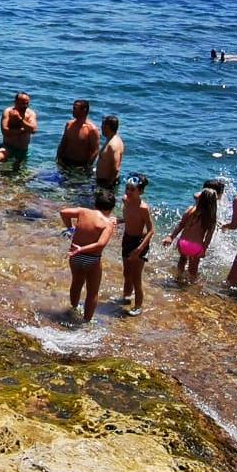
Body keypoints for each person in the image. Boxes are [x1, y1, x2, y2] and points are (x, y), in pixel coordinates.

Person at [61, 188, 118, 323]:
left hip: (74, 256)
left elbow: (63, 212)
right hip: (91, 259)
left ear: (95, 204)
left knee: (76, 283)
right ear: (111, 208)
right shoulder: (107, 224)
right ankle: (86, 321)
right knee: (92, 292)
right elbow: (100, 244)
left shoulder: (83, 212)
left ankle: (73, 309)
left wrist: (70, 229)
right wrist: (82, 249)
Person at [164, 184, 220, 284]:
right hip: (196, 247)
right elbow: (208, 236)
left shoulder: (191, 210)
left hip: (183, 244)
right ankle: (191, 284)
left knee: (182, 259)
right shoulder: (211, 218)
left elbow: (180, 225)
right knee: (193, 268)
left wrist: (171, 237)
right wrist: (204, 249)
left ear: (200, 198)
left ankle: (178, 277)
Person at [118, 175, 154, 314]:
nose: (128, 191)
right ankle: (126, 297)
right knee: (127, 273)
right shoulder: (125, 201)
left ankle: (138, 306)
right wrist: (119, 220)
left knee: (136, 277)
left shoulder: (143, 208)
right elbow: (129, 218)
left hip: (139, 242)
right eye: (127, 188)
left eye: (132, 189)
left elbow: (151, 230)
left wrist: (139, 249)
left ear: (141, 192)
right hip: (127, 239)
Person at [0, 92, 38, 165]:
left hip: (23, 149)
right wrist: (24, 130)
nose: (25, 106)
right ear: (15, 102)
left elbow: (34, 130)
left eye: (27, 103)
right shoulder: (8, 112)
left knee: (20, 173)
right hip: (8, 147)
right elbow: (5, 132)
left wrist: (20, 120)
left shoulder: (30, 114)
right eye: (22, 103)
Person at [55, 100, 100, 169]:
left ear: (84, 110)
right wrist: (58, 158)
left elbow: (95, 150)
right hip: (65, 161)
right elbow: (63, 142)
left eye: (75, 109)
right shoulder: (69, 124)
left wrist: (87, 166)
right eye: (73, 108)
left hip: (81, 164)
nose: (72, 111)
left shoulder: (91, 129)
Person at [95, 115, 124, 188]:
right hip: (103, 181)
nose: (101, 128)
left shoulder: (113, 144)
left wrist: (108, 185)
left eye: (103, 126)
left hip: (107, 182)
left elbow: (116, 168)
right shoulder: (111, 139)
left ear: (107, 127)